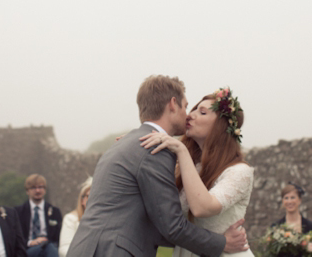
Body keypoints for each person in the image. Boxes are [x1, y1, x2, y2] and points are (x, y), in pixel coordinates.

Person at [67, 75, 248, 257]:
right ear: (172, 104)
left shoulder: (131, 144)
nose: (188, 115)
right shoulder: (152, 149)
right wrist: (222, 242)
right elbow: (173, 226)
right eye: (186, 107)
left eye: (199, 112)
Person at [140, 87, 255, 257]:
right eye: (193, 109)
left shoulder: (240, 172)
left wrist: (181, 151)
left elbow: (202, 208)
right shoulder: (186, 165)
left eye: (202, 113)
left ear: (221, 126)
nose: (190, 115)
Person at [15, 174, 62, 257]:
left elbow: (58, 236)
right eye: (33, 188)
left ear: (45, 190)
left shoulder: (55, 211)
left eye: (40, 187)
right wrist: (31, 242)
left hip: (49, 248)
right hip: (28, 249)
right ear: (27, 191)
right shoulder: (18, 212)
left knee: (50, 247)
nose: (37, 191)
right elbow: (16, 238)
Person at [57, 177, 92, 257]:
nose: (92, 200)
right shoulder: (71, 219)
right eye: (89, 196)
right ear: (82, 200)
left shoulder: (106, 220)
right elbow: (64, 249)